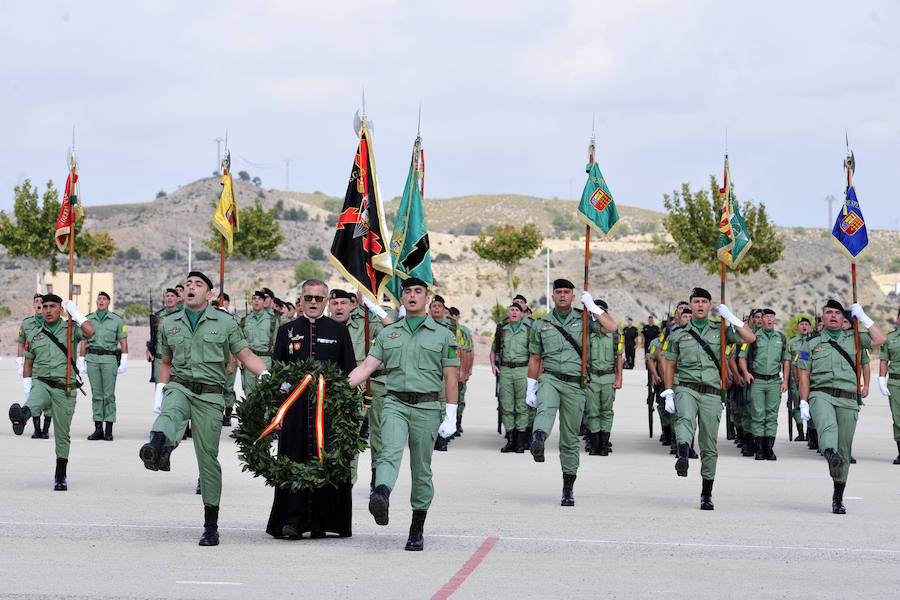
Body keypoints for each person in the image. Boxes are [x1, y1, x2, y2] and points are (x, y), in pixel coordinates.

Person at [139, 271, 269, 546]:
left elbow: (244, 355)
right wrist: (160, 392)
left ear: (208, 295)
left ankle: (211, 525)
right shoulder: (169, 323)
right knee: (170, 413)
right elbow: (165, 361)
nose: (191, 288)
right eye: (188, 284)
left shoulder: (225, 322)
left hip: (210, 396)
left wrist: (266, 374)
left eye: (198, 285)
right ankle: (158, 445)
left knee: (208, 460)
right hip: (180, 385)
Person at [348, 277, 459, 551]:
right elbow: (366, 368)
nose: (411, 296)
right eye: (407, 291)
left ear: (426, 298)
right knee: (389, 452)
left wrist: (452, 414)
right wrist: (333, 387)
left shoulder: (443, 335)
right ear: (403, 298)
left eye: (417, 292)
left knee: (421, 468)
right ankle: (381, 494)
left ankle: (417, 527)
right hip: (395, 403)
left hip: (427, 407)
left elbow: (451, 377)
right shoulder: (389, 334)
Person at [266, 279, 357, 539]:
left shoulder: (339, 331)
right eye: (309, 298)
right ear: (301, 300)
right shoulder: (287, 330)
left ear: (326, 301)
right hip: (294, 409)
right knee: (293, 459)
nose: (314, 302)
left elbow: (349, 371)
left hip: (327, 409)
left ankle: (323, 522)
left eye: (319, 298)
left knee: (325, 461)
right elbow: (277, 371)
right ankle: (292, 522)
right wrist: (277, 409)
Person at [660, 288, 755, 510]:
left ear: (710, 306)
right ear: (689, 306)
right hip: (686, 387)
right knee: (684, 420)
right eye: (696, 301)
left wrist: (731, 318)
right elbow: (670, 364)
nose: (700, 305)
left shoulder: (721, 330)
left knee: (709, 445)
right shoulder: (678, 333)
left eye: (704, 301)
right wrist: (669, 391)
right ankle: (683, 452)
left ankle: (706, 493)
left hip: (711, 392)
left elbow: (749, 337)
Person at [526, 279, 616, 506]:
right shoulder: (541, 324)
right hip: (551, 378)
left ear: (573, 297)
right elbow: (535, 357)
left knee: (569, 438)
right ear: (553, 296)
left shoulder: (585, 319)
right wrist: (531, 386)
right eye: (559, 292)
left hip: (576, 384)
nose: (563, 295)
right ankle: (538, 439)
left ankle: (568, 488)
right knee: (545, 409)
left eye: (567, 292)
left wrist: (593, 307)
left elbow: (611, 328)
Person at [796, 299, 885, 513]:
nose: (833, 316)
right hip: (821, 394)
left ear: (844, 318)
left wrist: (863, 317)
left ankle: (838, 496)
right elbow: (804, 375)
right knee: (827, 428)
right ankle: (829, 453)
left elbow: (880, 338)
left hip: (847, 398)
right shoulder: (810, 344)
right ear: (823, 318)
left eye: (837, 313)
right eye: (829, 313)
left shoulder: (854, 339)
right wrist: (803, 401)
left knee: (844, 449)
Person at [9, 294, 96, 490]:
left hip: (65, 388)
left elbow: (91, 332)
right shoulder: (34, 333)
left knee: (62, 434)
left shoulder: (71, 329)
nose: (47, 310)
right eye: (45, 306)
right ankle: (22, 417)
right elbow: (28, 362)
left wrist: (77, 313)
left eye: (52, 306)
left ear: (61, 309)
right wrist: (27, 383)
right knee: (35, 400)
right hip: (42, 383)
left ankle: (60, 474)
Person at [330, 288, 395, 493]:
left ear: (352, 305)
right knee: (349, 436)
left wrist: (374, 308)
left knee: (379, 436)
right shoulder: (327, 328)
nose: (339, 307)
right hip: (346, 390)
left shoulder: (366, 323)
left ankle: (378, 481)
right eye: (335, 303)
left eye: (343, 303)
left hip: (375, 385)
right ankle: (347, 482)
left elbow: (393, 333)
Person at [738, 308, 789, 460]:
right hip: (757, 381)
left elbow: (786, 360)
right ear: (762, 320)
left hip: (774, 380)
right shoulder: (752, 337)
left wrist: (785, 380)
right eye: (766, 317)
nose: (768, 320)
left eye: (771, 317)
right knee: (758, 415)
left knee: (772, 415)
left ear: (774, 320)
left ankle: (769, 449)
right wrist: (746, 373)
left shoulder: (781, 337)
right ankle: (759, 449)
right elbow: (742, 357)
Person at [78, 291, 128, 441]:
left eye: (104, 299)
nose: (101, 301)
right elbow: (84, 341)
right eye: (99, 299)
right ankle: (98, 428)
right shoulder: (88, 319)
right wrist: (81, 359)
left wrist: (124, 360)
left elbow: (123, 342)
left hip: (109, 359)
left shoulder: (116, 320)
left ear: (108, 302)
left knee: (109, 395)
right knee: (97, 395)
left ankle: (109, 430)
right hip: (92, 359)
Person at [490, 302, 532, 453]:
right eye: (512, 310)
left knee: (522, 406)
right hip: (505, 370)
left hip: (523, 370)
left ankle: (520, 442)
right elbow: (493, 350)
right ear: (509, 313)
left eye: (517, 310)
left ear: (522, 314)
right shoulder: (502, 330)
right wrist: (493, 366)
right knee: (506, 406)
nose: (514, 312)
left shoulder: (528, 330)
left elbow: (535, 354)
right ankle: (511, 440)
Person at [584, 299, 624, 456]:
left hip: (608, 377)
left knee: (606, 411)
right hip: (592, 376)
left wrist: (619, 378)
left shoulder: (615, 333)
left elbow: (619, 357)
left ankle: (604, 443)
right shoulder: (587, 331)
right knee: (592, 411)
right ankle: (594, 444)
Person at [17, 293, 51, 439]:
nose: (38, 303)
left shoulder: (51, 322)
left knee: (49, 400)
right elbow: (21, 342)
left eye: (41, 301)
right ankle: (37, 429)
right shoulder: (26, 324)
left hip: (48, 365)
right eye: (36, 301)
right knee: (34, 397)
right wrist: (20, 362)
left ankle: (46, 430)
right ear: (33, 305)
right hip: (32, 366)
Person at [147, 288, 182, 413]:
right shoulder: (158, 316)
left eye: (173, 296)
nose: (169, 298)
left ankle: (183, 426)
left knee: (179, 391)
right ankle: (163, 424)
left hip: (177, 359)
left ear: (177, 299)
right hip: (160, 359)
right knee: (161, 391)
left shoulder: (183, 315)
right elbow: (153, 335)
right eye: (167, 296)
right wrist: (148, 348)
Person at [239, 290, 278, 401]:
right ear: (251, 302)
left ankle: (265, 419)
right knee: (250, 393)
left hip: (266, 359)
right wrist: (239, 359)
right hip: (248, 360)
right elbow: (240, 341)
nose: (256, 301)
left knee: (265, 392)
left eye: (259, 299)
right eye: (254, 299)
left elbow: (276, 342)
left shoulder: (272, 320)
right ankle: (251, 418)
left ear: (263, 302)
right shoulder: (245, 320)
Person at [878, 307, 900, 464]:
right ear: (898, 318)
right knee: (898, 418)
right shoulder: (890, 338)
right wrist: (881, 379)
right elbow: (884, 360)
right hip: (895, 383)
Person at [787, 317, 813, 441]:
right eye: (801, 324)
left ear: (810, 327)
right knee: (797, 406)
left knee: (811, 405)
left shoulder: (813, 341)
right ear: (798, 327)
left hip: (811, 380)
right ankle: (800, 431)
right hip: (795, 381)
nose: (804, 326)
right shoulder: (792, 342)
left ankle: (810, 433)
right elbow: (788, 362)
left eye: (806, 324)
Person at [448, 307, 473, 436]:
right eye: (449, 315)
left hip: (460, 369)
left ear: (458, 317)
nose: (451, 318)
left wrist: (467, 371)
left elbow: (468, 351)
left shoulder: (463, 331)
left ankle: (457, 423)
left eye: (453, 316)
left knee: (460, 399)